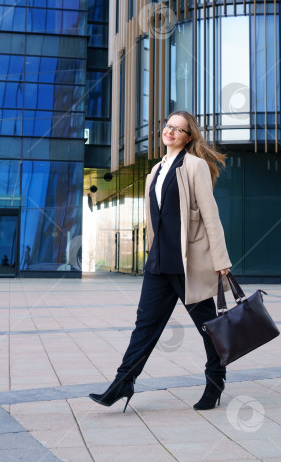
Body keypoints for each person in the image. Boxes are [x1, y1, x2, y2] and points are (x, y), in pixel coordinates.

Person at [90, 110, 232, 412]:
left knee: (209, 328)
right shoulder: (155, 170)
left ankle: (215, 381)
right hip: (158, 262)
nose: (170, 132)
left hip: (188, 262)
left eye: (178, 129)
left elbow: (210, 215)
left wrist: (220, 259)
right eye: (168, 126)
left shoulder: (195, 166)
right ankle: (122, 383)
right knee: (144, 326)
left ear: (188, 136)